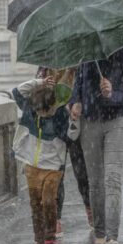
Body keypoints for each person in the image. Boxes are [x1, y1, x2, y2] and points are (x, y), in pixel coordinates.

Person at [70, 43, 123, 244]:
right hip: (90, 120)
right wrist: (75, 102)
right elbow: (78, 81)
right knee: (95, 181)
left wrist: (113, 92)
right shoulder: (87, 50)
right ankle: (99, 236)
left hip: (117, 119)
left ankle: (112, 237)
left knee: (112, 179)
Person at [12, 75, 69, 244]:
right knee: (35, 205)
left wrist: (74, 120)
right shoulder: (31, 109)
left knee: (48, 201)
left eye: (47, 111)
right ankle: (39, 242)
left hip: (53, 166)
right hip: (32, 165)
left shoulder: (61, 114)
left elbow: (71, 136)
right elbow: (17, 92)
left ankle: (50, 240)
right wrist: (39, 82)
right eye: (40, 112)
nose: (43, 115)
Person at [36, 67, 92, 234]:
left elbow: (87, 85)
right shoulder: (46, 64)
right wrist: (44, 85)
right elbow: (38, 94)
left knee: (82, 172)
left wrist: (75, 101)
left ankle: (90, 208)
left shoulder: (81, 61)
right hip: (54, 122)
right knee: (56, 173)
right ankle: (56, 218)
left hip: (76, 119)